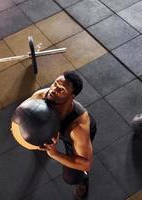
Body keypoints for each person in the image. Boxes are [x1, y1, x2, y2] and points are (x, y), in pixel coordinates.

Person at [30, 71, 97, 199]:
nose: (53, 90)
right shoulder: (40, 96)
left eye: (61, 90)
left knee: (71, 177)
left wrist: (54, 154)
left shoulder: (78, 128)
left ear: (71, 97)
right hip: (54, 127)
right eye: (55, 84)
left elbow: (86, 163)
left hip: (69, 134)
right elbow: (24, 114)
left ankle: (83, 180)